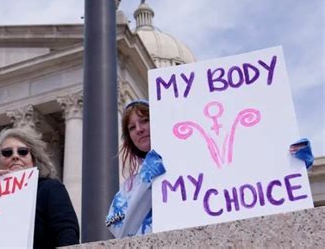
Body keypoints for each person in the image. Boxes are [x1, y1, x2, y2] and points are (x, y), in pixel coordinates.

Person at [106, 99, 314, 238]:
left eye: (145, 121)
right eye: (132, 127)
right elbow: (118, 227)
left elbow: (246, 179)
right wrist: (145, 182)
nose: (139, 130)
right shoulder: (128, 187)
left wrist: (291, 161)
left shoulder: (199, 159)